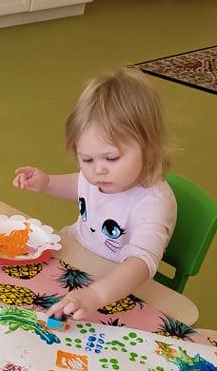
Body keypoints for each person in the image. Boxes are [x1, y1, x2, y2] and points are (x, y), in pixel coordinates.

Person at [13, 67, 176, 320]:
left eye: (111, 158)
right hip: (76, 259)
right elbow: (79, 185)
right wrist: (47, 183)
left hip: (116, 286)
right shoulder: (99, 176)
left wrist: (97, 295)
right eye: (87, 159)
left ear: (149, 147)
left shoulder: (153, 202)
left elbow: (141, 263)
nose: (98, 169)